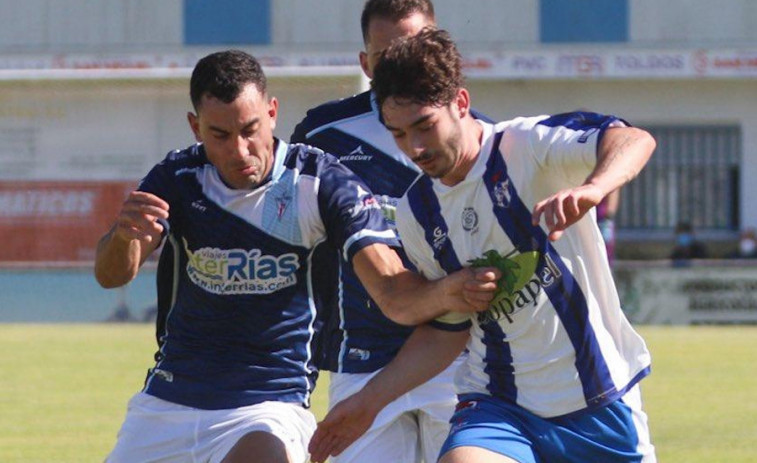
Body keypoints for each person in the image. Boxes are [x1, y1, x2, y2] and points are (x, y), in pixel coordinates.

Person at [94, 49, 499, 463]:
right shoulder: (177, 178)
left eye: (250, 129)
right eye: (220, 135)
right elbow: (113, 275)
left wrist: (450, 291)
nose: (240, 150)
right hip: (167, 400)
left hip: (268, 407)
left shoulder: (320, 182)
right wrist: (124, 235)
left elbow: (393, 291)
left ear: (272, 112)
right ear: (196, 127)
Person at [309, 29, 658, 463]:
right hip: (499, 406)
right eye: (398, 134)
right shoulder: (418, 213)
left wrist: (594, 188)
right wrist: (367, 402)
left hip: (599, 400)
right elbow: (447, 330)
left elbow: (633, 139)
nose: (414, 148)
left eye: (424, 126)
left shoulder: (526, 146)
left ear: (460, 102)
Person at [291, 2, 489, 462]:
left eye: (415, 48)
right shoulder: (324, 134)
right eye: (386, 57)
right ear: (365, 63)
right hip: (361, 358)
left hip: (460, 358)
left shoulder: (482, 137)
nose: (402, 65)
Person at [596, 188, 620, 265]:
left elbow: (614, 190)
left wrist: (608, 217)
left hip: (602, 220)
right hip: (587, 219)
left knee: (604, 257)